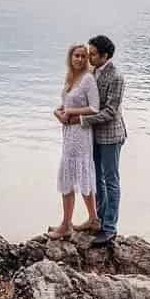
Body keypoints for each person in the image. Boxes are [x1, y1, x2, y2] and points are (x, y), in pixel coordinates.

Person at [63, 33, 126, 246]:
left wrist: (80, 120)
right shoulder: (94, 73)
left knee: (111, 181)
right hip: (94, 136)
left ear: (104, 55)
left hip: (111, 136)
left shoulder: (116, 77)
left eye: (92, 54)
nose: (88, 57)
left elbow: (109, 111)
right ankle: (96, 220)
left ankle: (110, 229)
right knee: (96, 179)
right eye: (87, 53)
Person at [48, 44, 99, 239]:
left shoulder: (88, 79)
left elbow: (94, 108)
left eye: (83, 56)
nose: (79, 59)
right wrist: (58, 112)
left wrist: (71, 112)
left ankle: (71, 224)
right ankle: (77, 221)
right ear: (70, 58)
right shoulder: (70, 78)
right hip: (68, 133)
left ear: (86, 59)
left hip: (81, 134)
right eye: (76, 56)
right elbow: (66, 104)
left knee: (79, 176)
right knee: (70, 176)